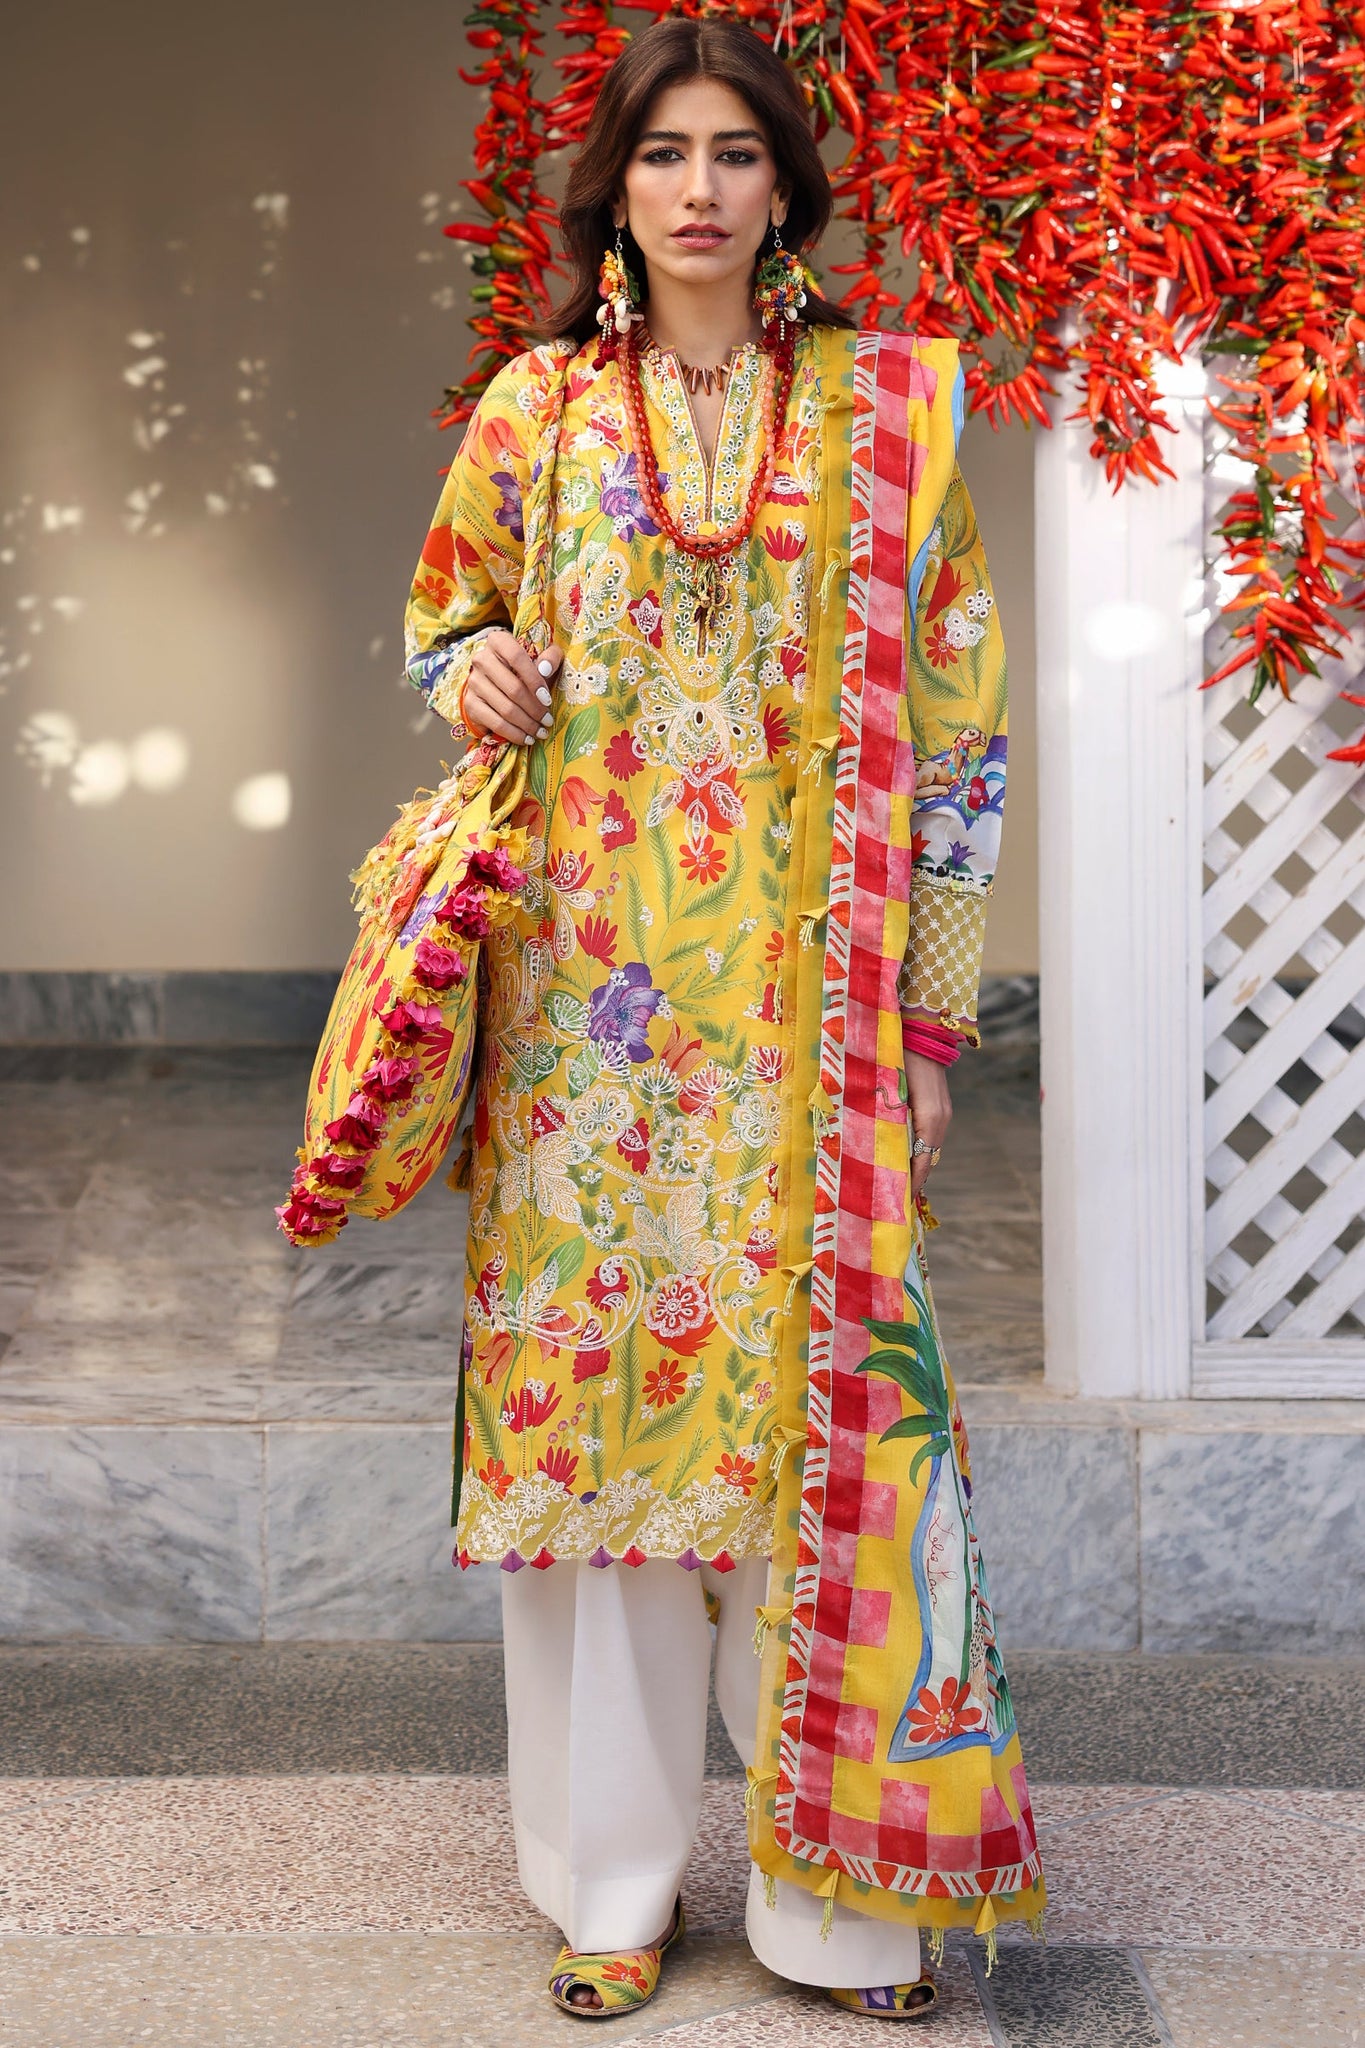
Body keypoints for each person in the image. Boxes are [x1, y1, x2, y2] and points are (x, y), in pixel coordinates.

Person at [404, 12, 1045, 2021]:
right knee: (598, 1451)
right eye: (664, 153)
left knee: (821, 1448)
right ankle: (608, 1885)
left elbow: (959, 738)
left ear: (786, 188)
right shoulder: (533, 411)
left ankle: (840, 1903)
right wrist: (470, 667)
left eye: (736, 154)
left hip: (805, 1030)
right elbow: (445, 615)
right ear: (615, 187)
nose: (698, 189)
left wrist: (924, 1032)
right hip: (582, 1035)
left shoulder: (883, 408)